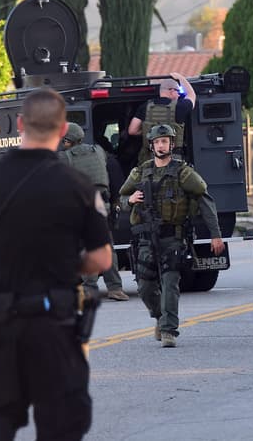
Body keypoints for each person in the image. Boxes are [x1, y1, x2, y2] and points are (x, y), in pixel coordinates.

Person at [0, 87, 112, 440]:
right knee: (61, 427)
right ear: (63, 130)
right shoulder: (78, 185)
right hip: (54, 328)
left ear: (19, 124)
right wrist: (66, 265)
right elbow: (102, 258)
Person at [119, 124, 225, 348]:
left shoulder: (183, 172)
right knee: (145, 287)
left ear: (171, 144)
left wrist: (216, 235)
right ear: (151, 145)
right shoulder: (141, 171)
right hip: (146, 238)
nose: (161, 145)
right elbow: (121, 198)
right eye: (157, 142)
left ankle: (169, 330)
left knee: (169, 282)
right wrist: (129, 201)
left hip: (173, 236)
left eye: (165, 141)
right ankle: (159, 317)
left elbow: (205, 200)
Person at [59, 122, 130, 301]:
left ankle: (89, 288)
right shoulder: (98, 150)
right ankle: (115, 288)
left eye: (64, 140)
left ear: (69, 140)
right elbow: (112, 171)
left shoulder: (64, 158)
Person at [127, 72, 196, 164]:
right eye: (178, 91)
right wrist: (181, 78)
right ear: (171, 90)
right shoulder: (179, 107)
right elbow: (192, 95)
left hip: (150, 161)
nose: (179, 95)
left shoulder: (145, 107)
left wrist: (150, 132)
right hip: (173, 161)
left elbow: (132, 130)